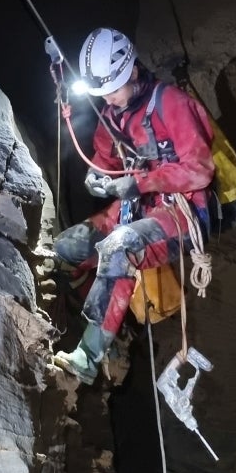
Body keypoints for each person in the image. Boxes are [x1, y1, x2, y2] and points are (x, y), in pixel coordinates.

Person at [53, 27, 217, 384]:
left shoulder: (171, 103)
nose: (108, 98)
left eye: (112, 89)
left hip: (182, 211)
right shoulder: (113, 116)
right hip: (138, 207)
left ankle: (89, 355)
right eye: (102, 92)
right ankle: (114, 328)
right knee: (67, 248)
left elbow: (200, 170)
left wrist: (141, 182)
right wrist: (98, 178)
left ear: (131, 71)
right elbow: (104, 160)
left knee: (118, 248)